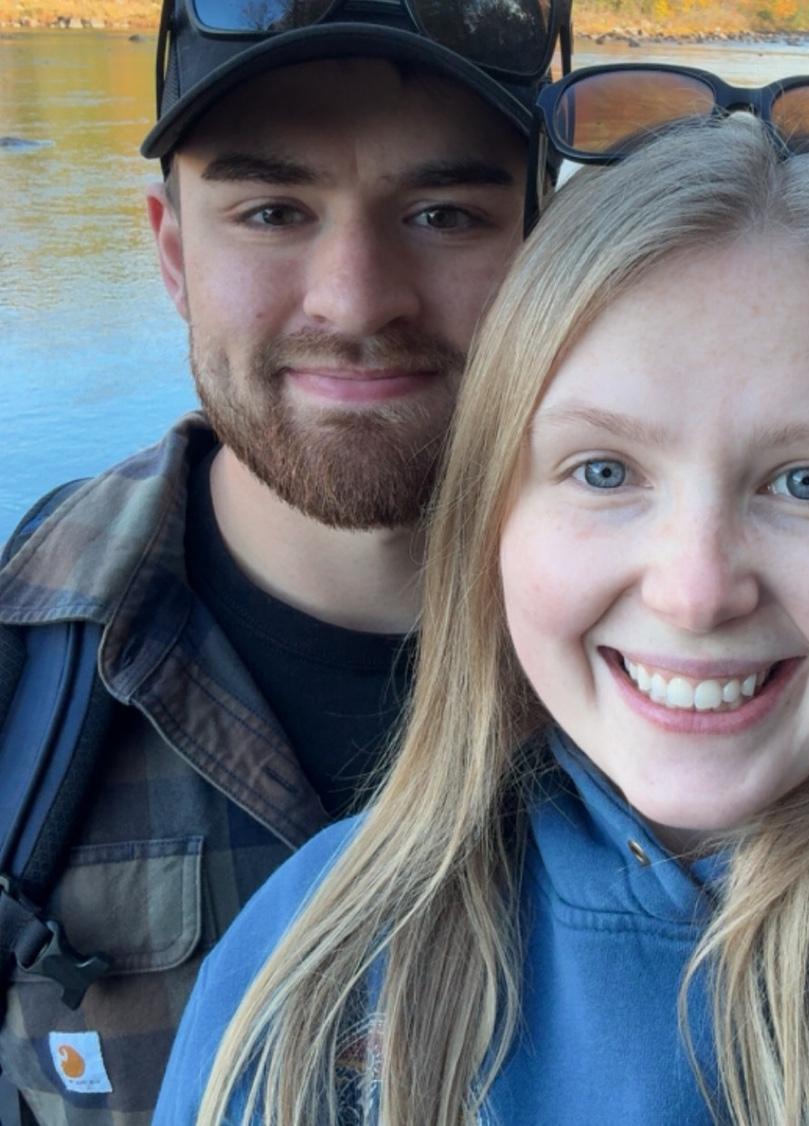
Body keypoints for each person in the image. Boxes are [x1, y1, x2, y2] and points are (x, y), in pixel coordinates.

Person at [151, 105, 809, 1124]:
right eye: (604, 470)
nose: (695, 590)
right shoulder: (310, 960)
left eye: (807, 481)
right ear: (495, 513)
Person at [0, 0, 568, 1120]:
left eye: (445, 214)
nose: (355, 300)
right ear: (172, 252)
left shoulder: (707, 666)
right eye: (271, 211)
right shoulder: (21, 671)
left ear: (548, 251)